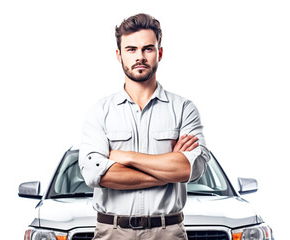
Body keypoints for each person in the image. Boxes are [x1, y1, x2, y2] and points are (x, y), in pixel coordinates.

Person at [78, 13, 210, 240]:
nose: (140, 56)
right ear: (119, 55)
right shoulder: (100, 111)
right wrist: (169, 169)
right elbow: (95, 174)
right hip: (112, 232)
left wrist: (125, 157)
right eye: (131, 49)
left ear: (159, 53)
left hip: (168, 232)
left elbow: (192, 168)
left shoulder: (183, 109)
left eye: (147, 49)